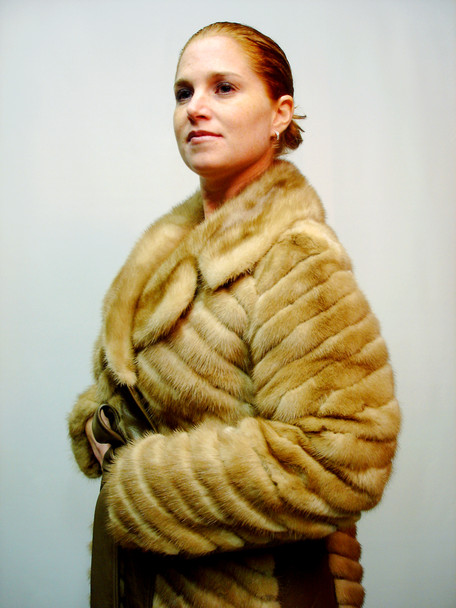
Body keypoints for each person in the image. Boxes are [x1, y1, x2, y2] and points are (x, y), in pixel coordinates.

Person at [68, 21, 400, 608]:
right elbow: (138, 393)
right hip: (147, 583)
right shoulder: (170, 251)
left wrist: (143, 480)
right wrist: (101, 423)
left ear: (279, 114)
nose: (195, 108)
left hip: (254, 592)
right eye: (184, 92)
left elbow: (345, 456)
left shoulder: (295, 256)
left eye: (224, 87)